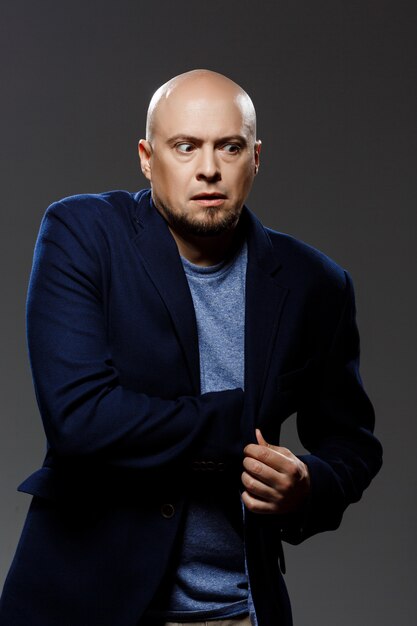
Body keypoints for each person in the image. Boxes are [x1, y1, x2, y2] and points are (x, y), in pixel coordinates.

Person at [0, 69, 382, 626]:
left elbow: (353, 443)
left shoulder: (314, 283)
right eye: (185, 146)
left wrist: (308, 485)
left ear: (255, 158)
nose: (208, 168)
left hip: (235, 611)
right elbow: (78, 419)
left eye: (228, 147)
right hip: (84, 603)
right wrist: (232, 421)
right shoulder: (83, 234)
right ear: (147, 157)